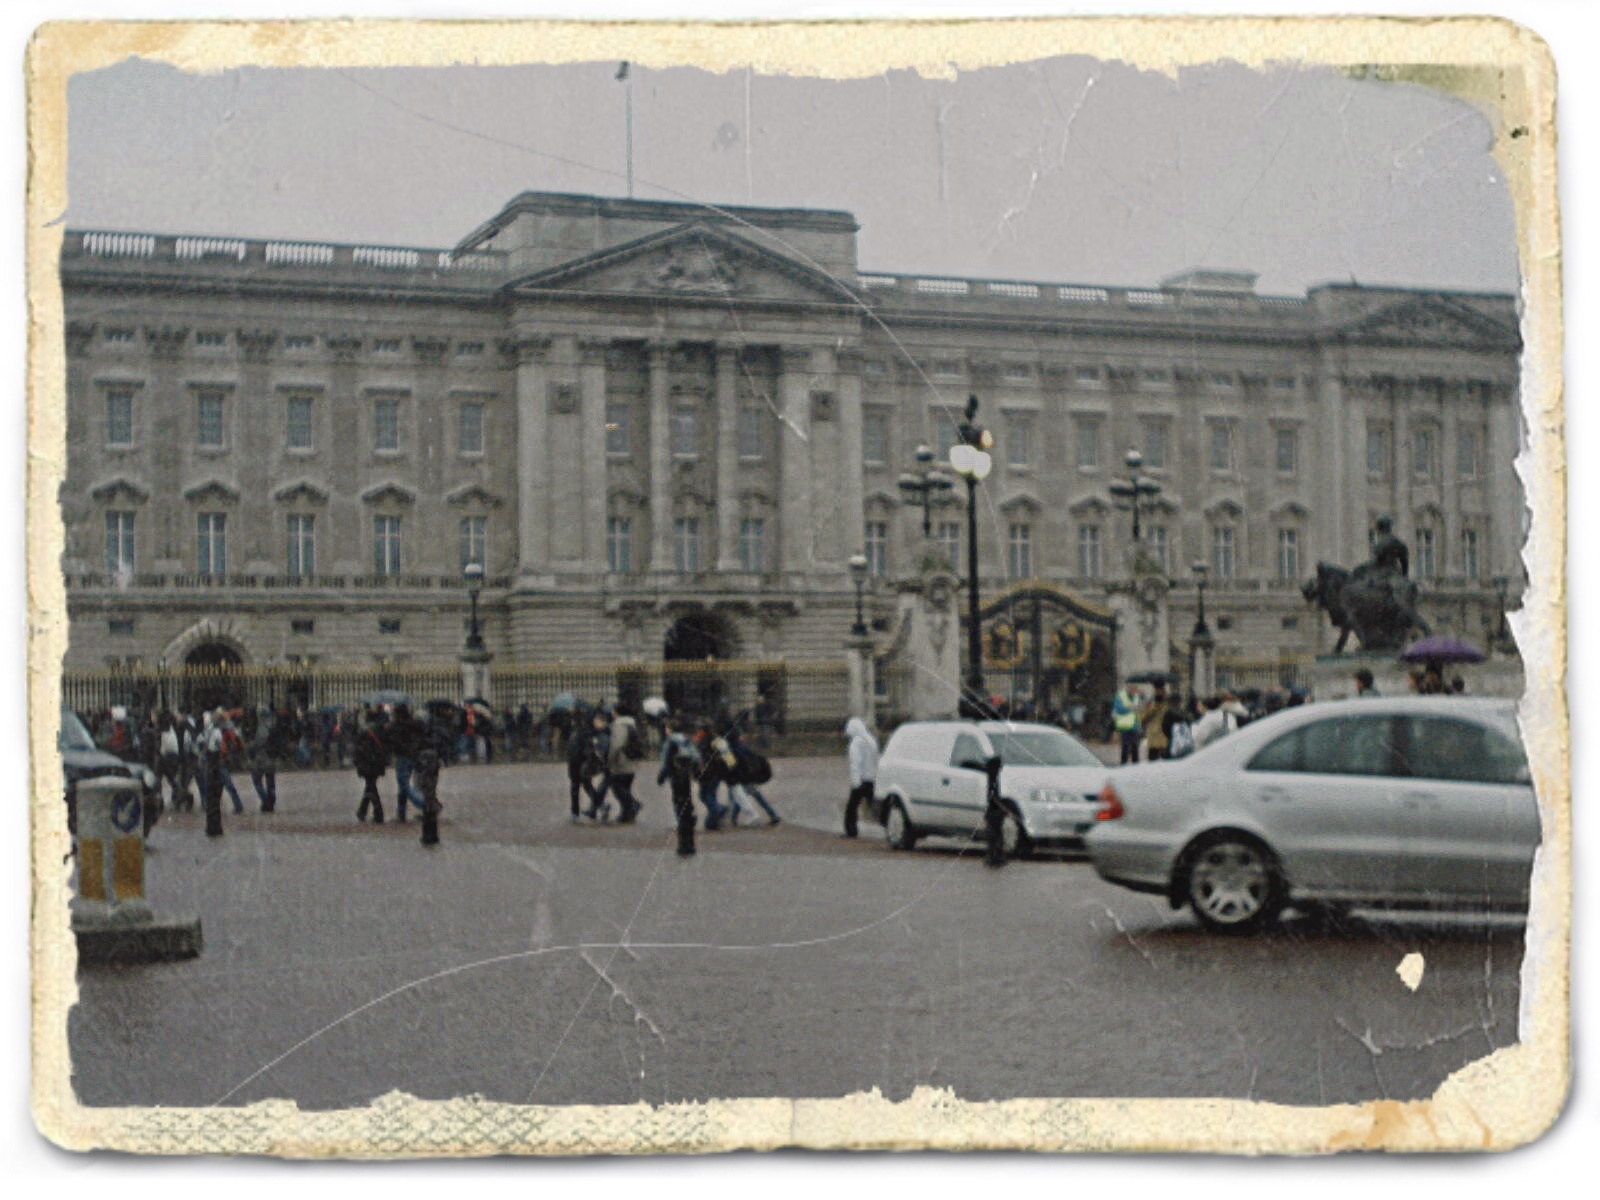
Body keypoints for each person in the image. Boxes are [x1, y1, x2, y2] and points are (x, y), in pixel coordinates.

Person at [656, 716, 701, 858]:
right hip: (686, 776)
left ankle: (683, 845)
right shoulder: (686, 741)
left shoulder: (670, 742)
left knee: (679, 808)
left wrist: (661, 777)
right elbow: (696, 757)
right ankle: (690, 844)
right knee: (686, 807)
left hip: (676, 777)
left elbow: (664, 762)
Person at [722, 728, 780, 827]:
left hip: (743, 777)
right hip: (751, 775)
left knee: (740, 797)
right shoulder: (743, 747)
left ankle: (734, 819)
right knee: (752, 796)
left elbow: (733, 765)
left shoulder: (732, 749)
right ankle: (773, 815)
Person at [386, 703, 429, 822]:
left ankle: (424, 804)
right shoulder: (415, 723)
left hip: (402, 756)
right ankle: (401, 813)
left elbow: (393, 740)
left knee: (404, 784)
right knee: (402, 785)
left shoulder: (397, 725)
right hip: (413, 755)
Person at [605, 705, 645, 824]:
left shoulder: (619, 725)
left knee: (617, 787)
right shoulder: (631, 724)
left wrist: (610, 759)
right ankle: (626, 814)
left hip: (622, 761)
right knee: (625, 787)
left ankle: (634, 804)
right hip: (631, 760)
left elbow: (617, 745)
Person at [841, 716, 879, 839]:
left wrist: (856, 783)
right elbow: (875, 760)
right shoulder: (871, 740)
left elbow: (855, 764)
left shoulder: (855, 744)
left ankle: (851, 830)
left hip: (861, 780)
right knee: (874, 804)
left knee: (852, 807)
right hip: (872, 779)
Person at [565, 705, 602, 824]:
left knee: (578, 787)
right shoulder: (579, 730)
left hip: (578, 762)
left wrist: (585, 760)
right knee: (585, 786)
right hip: (575, 762)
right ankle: (599, 805)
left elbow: (585, 748)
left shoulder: (581, 730)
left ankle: (576, 812)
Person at [353, 711, 390, 824]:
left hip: (367, 764)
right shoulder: (381, 730)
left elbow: (360, 750)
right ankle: (362, 811)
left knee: (371, 787)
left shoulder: (363, 733)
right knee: (370, 787)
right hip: (377, 763)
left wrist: (358, 762)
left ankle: (378, 814)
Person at [583, 709, 614, 821]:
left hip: (603, 764)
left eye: (597, 721)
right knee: (596, 785)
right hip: (601, 763)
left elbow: (603, 751)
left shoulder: (603, 734)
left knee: (595, 784)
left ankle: (598, 807)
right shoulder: (598, 733)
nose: (595, 723)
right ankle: (598, 807)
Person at [1141, 682, 1174, 762]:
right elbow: (1143, 719)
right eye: (1158, 690)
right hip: (1153, 737)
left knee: (1167, 761)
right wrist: (1153, 709)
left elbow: (1173, 715)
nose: (1160, 692)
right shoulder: (1149, 703)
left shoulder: (1168, 703)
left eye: (1162, 689)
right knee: (1152, 761)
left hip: (1165, 736)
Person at [1112, 683, 1143, 764]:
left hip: (1135, 727)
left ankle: (1136, 767)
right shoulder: (1121, 696)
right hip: (1124, 727)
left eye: (1135, 688)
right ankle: (1123, 766)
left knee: (1135, 749)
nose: (1133, 690)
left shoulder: (1137, 697)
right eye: (1132, 688)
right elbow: (1118, 709)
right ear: (1127, 688)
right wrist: (1131, 708)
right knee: (1125, 748)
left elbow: (1139, 711)